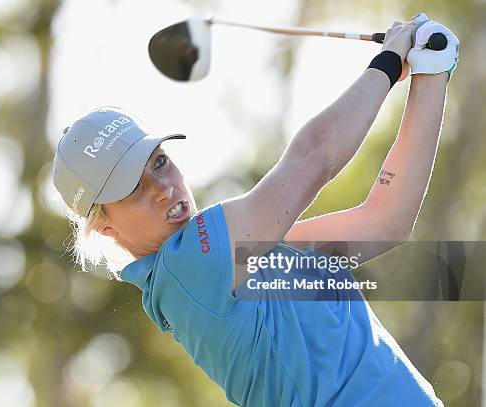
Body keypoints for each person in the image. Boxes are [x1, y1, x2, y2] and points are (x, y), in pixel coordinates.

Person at [52, 14, 458, 407]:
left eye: (159, 162)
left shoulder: (237, 259)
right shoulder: (188, 267)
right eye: (133, 189)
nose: (162, 188)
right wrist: (387, 63)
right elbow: (313, 156)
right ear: (105, 228)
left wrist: (432, 70)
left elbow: (385, 222)